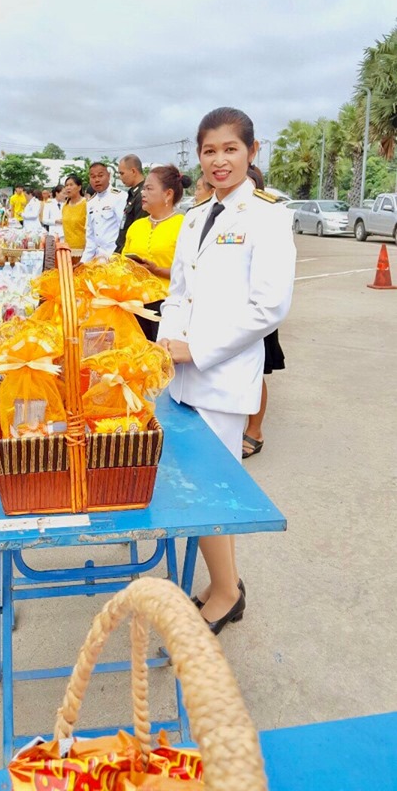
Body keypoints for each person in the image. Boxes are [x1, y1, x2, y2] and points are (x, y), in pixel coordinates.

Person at [157, 107, 295, 635]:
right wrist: (168, 341)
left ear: (251, 152)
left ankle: (226, 595)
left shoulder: (268, 216)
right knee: (205, 490)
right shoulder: (195, 216)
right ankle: (225, 585)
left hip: (222, 376)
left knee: (209, 493)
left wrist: (196, 349)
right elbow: (178, 292)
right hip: (183, 376)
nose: (219, 160)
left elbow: (268, 308)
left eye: (230, 149)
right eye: (209, 150)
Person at [242, 165, 285, 458]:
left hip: (257, 312)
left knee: (257, 372)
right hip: (224, 311)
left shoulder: (269, 218)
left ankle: (255, 430)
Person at [122, 165, 189, 340]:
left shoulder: (184, 225)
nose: (143, 193)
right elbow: (122, 262)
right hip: (134, 304)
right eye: (143, 188)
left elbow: (190, 272)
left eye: (149, 188)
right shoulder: (136, 226)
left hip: (168, 306)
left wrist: (157, 270)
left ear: (168, 194)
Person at [80, 163, 127, 263]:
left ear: (108, 176)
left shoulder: (119, 197)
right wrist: (83, 261)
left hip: (115, 257)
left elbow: (124, 230)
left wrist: (117, 257)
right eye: (93, 177)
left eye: (100, 176)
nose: (97, 180)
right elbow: (90, 236)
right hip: (97, 258)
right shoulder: (90, 203)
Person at [115, 154, 145, 252]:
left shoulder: (143, 195)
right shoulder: (133, 193)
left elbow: (138, 228)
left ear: (133, 171)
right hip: (123, 248)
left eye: (122, 173)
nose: (120, 177)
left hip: (131, 250)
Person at [62, 174, 87, 253]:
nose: (68, 188)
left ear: (79, 187)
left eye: (71, 185)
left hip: (82, 249)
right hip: (67, 248)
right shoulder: (65, 206)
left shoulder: (86, 204)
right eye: (66, 185)